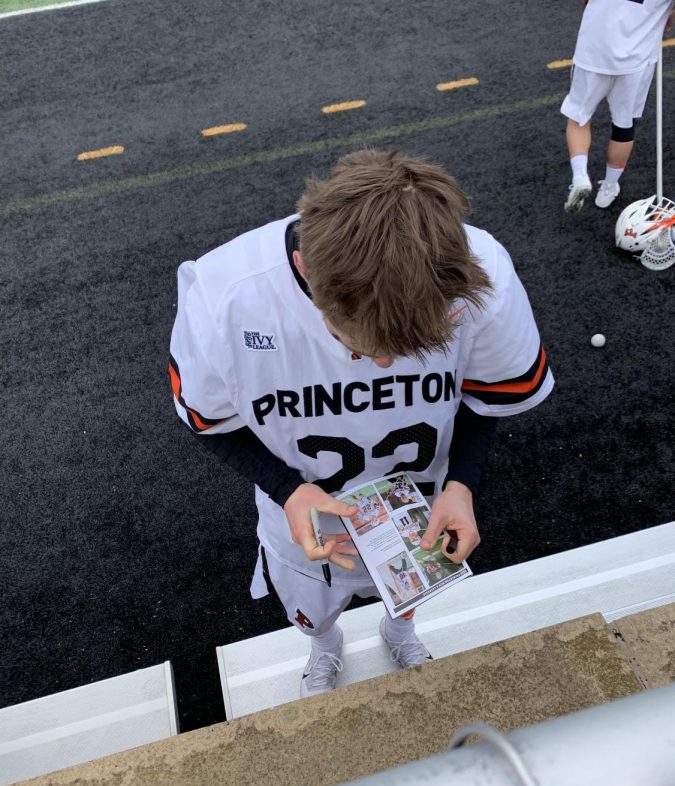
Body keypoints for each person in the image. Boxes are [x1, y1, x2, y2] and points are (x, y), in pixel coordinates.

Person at [169, 149, 554, 699]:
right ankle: (324, 650)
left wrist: (462, 483)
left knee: (412, 592)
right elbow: (206, 419)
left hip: (419, 505)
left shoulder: (482, 275)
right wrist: (288, 489)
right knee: (313, 612)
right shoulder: (225, 297)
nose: (380, 365)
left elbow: (486, 394)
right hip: (303, 518)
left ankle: (398, 629)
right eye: (359, 342)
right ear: (304, 268)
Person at [562, 0, 675, 212]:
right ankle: (609, 186)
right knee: (624, 123)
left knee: (579, 116)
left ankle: (579, 175)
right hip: (635, 59)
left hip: (593, 51)